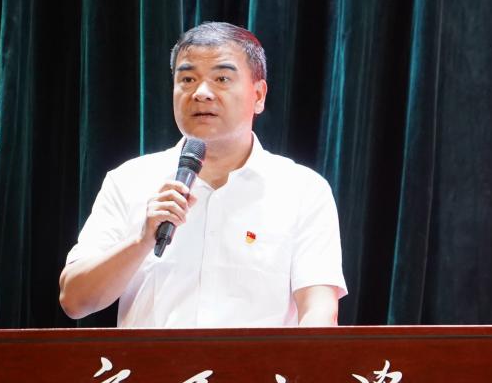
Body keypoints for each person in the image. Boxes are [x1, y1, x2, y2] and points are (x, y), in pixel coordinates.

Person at [58, 22, 346, 327]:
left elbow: (319, 311)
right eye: (187, 79)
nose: (202, 93)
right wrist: (141, 240)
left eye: (222, 79)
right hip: (151, 361)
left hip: (256, 361)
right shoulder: (129, 180)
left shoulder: (302, 190)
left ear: (259, 95)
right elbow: (74, 300)